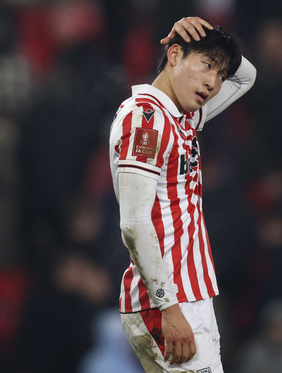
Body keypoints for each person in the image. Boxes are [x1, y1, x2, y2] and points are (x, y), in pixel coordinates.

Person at [109, 16, 256, 373]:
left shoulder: (181, 117)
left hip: (187, 297)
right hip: (169, 302)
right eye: (206, 65)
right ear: (173, 55)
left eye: (220, 76)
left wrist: (208, 33)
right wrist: (168, 307)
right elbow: (133, 222)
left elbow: (246, 75)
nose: (213, 82)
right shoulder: (146, 119)